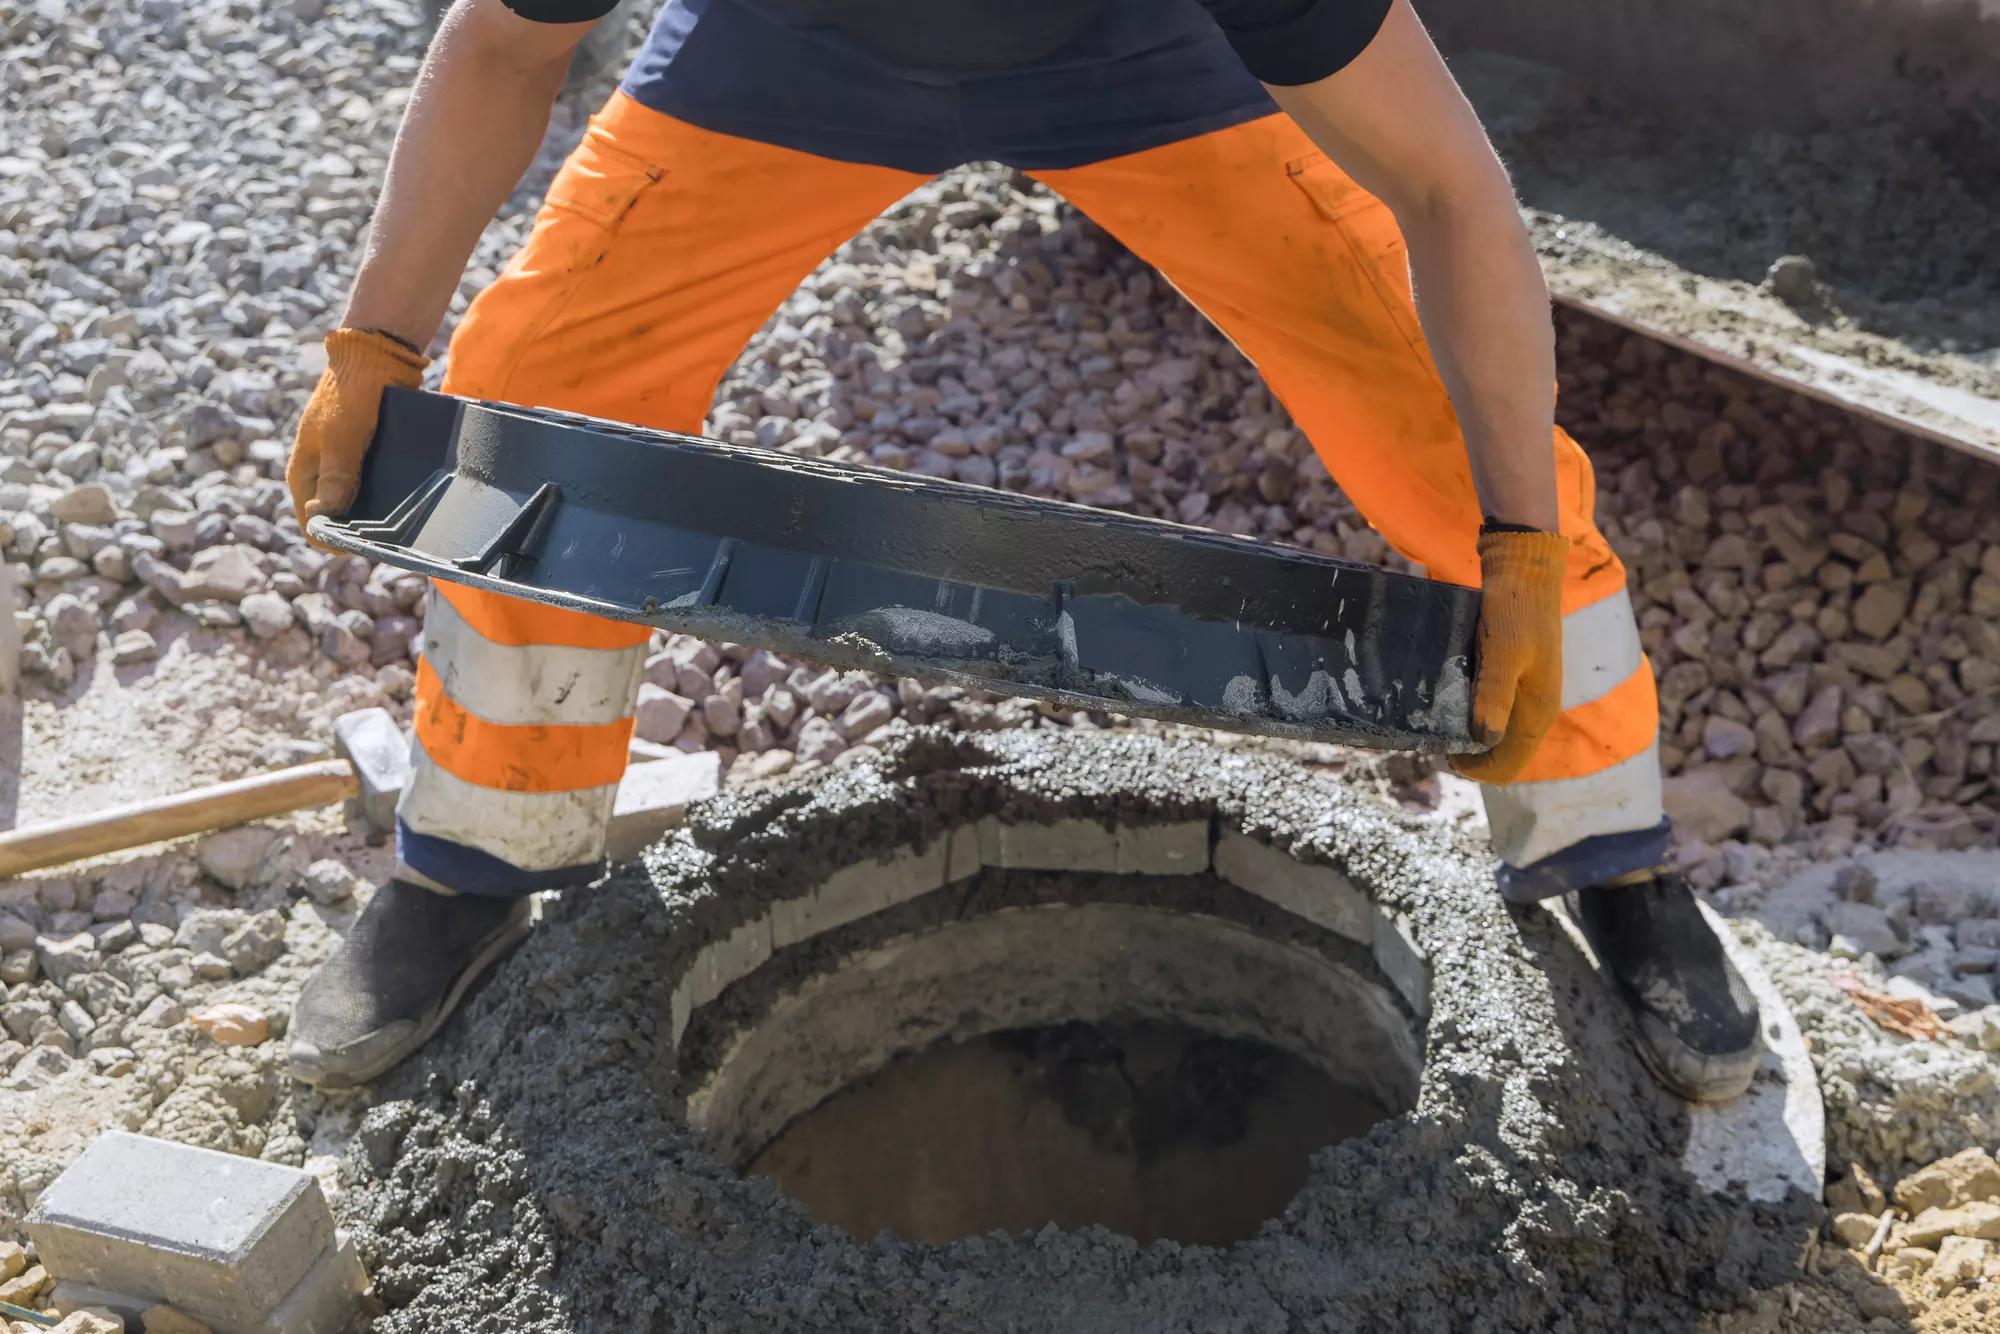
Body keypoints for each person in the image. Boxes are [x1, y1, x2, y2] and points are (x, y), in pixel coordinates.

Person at [284, 0, 1761, 1100]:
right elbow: (502, 43)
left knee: (1449, 430)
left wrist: (1509, 531)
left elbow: (1445, 185)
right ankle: (478, 856)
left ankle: (1604, 854)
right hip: (785, 40)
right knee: (539, 382)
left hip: (1146, 52)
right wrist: (379, 341)